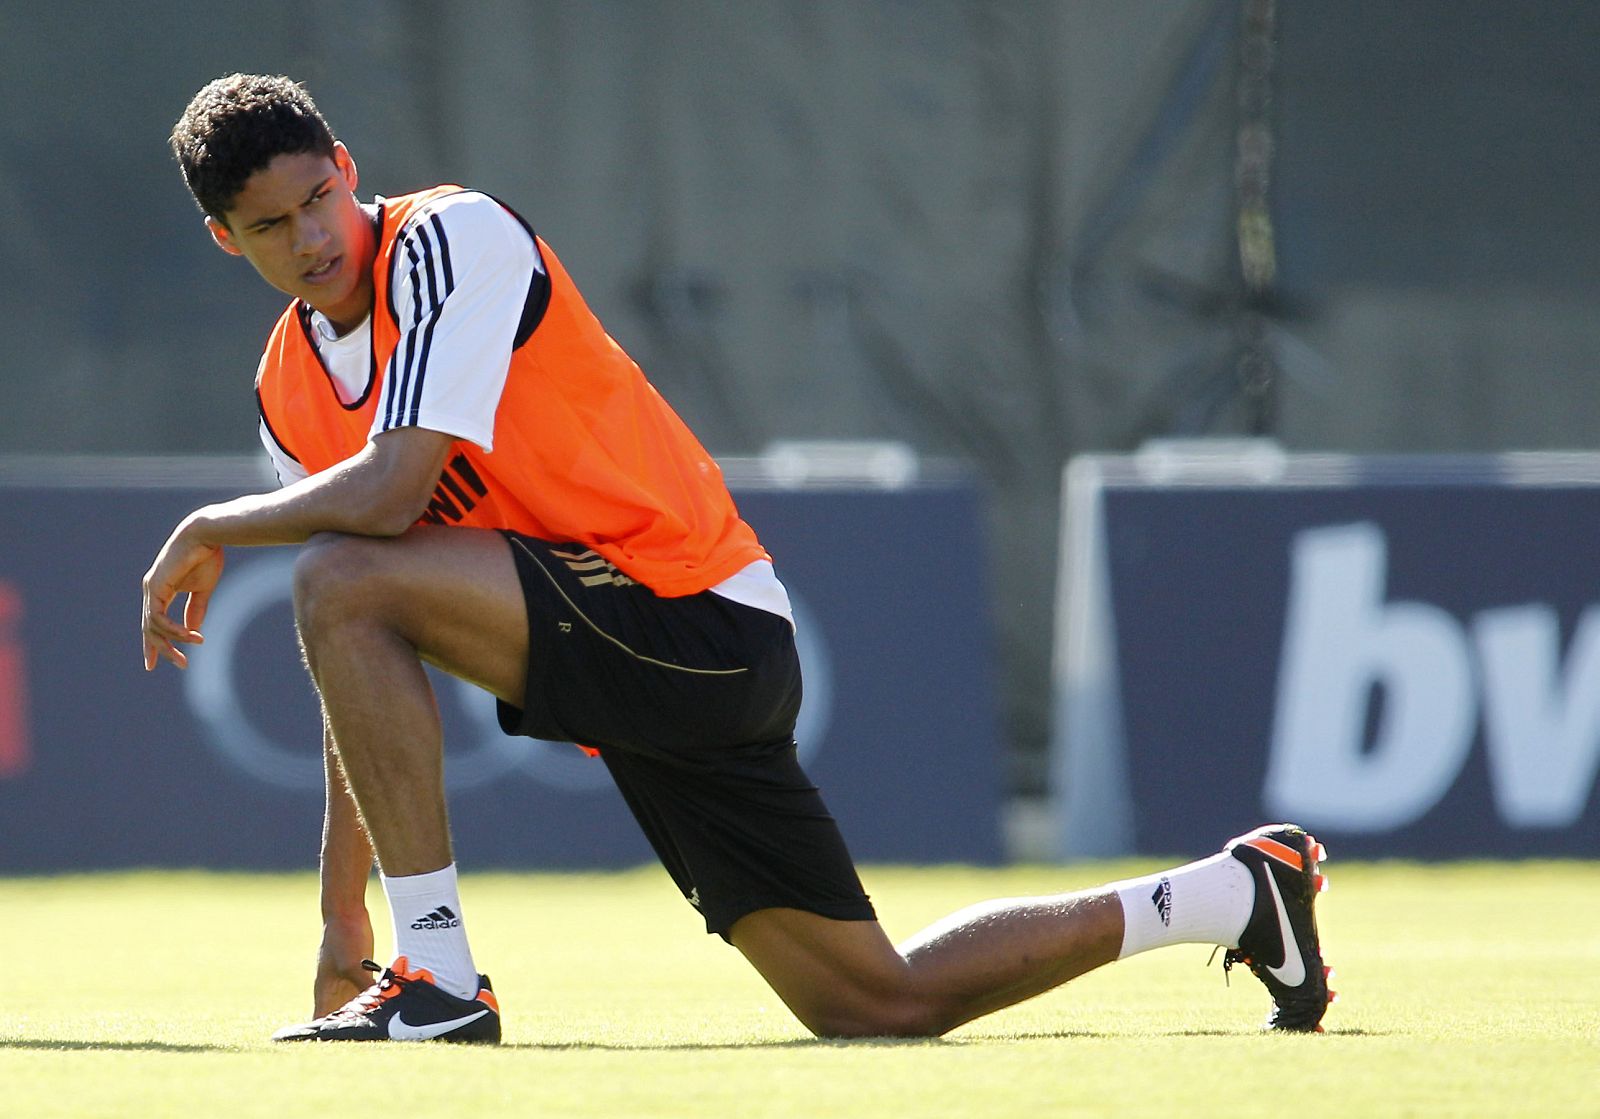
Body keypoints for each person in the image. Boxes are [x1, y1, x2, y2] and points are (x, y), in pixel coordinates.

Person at [142, 73, 1333, 1044]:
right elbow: (363, 660)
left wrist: (213, 526)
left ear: (346, 165)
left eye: (317, 199)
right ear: (223, 238)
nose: (310, 238)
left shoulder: (449, 237)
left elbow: (390, 506)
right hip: (637, 673)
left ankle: (442, 984)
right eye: (268, 226)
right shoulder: (287, 391)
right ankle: (1233, 893)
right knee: (876, 1004)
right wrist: (337, 923)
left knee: (332, 576)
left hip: (697, 619)